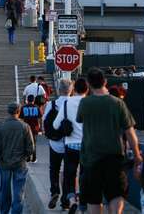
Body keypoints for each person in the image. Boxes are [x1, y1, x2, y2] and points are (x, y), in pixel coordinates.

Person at [76, 68, 142, 214]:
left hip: (91, 158)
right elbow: (130, 132)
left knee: (94, 198)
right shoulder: (117, 103)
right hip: (115, 158)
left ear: (88, 84)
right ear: (105, 81)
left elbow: (79, 119)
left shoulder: (85, 103)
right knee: (116, 195)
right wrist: (137, 155)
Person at [0, 102, 34, 214]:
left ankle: (4, 211)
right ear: (18, 112)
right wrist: (26, 156)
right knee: (19, 192)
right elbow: (31, 147)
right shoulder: (25, 126)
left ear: (8, 111)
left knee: (4, 190)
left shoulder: (2, 126)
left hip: (4, 163)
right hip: (20, 164)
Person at [53, 76, 87, 211]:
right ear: (87, 89)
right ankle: (83, 200)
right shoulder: (90, 102)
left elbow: (55, 125)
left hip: (71, 144)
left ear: (74, 89)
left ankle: (72, 200)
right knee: (85, 174)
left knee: (69, 175)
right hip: (87, 146)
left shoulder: (67, 103)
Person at [42, 79, 70, 210]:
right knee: (69, 172)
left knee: (54, 169)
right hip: (71, 143)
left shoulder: (51, 104)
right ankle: (66, 199)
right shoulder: (74, 103)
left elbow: (44, 120)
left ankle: (55, 191)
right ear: (71, 90)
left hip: (55, 142)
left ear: (59, 90)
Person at [20, 95, 41, 163]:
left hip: (26, 127)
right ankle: (34, 158)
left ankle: (28, 157)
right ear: (33, 100)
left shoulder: (23, 107)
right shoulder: (37, 107)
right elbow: (40, 118)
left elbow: (21, 118)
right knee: (33, 143)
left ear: (27, 100)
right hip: (35, 128)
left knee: (26, 142)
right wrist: (41, 128)